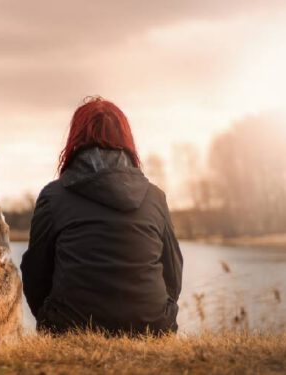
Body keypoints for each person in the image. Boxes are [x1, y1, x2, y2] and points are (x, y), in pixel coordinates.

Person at [20, 96, 183, 335]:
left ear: (75, 139)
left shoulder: (53, 197)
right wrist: (156, 315)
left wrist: (50, 318)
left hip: (69, 327)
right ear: (126, 140)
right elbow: (173, 273)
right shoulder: (155, 197)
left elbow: (35, 273)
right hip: (152, 327)